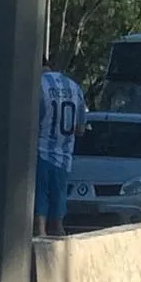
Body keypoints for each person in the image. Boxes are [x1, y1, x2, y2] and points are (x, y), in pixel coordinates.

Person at [35, 56, 87, 236]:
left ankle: (37, 253)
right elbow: (80, 129)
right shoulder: (74, 88)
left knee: (39, 217)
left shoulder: (37, 86)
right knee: (57, 221)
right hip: (64, 158)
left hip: (40, 154)